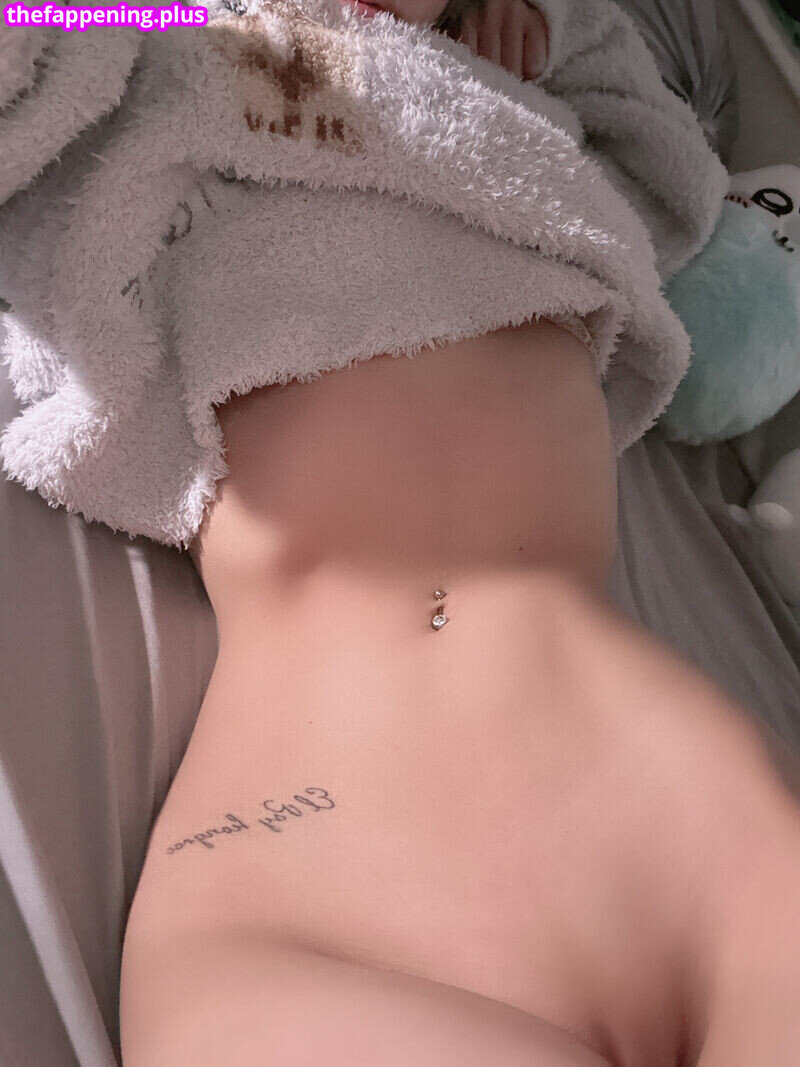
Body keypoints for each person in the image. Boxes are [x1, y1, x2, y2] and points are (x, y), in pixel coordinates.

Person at [118, 0, 800, 1064]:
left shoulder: (518, 94)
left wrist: (543, 23)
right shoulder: (167, 56)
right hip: (305, 900)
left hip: (677, 812)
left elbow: (669, 164)